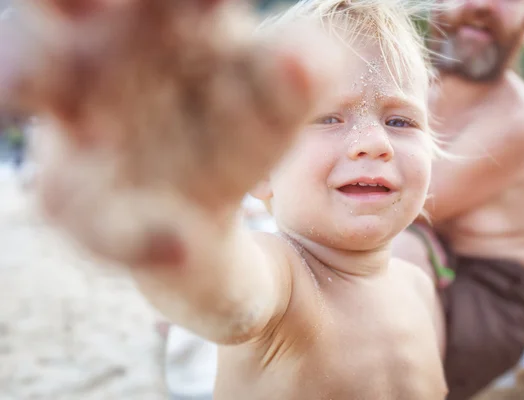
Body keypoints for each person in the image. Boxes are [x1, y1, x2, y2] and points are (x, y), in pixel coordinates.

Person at [5, 0, 447, 399]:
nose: (373, 142)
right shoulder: (287, 277)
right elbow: (229, 296)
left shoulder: (419, 286)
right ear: (260, 172)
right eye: (329, 117)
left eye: (401, 121)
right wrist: (197, 224)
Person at [391, 0, 524, 398]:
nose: (482, 3)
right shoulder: (412, 88)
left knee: (400, 250)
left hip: (488, 294)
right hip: (422, 260)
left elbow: (403, 207)